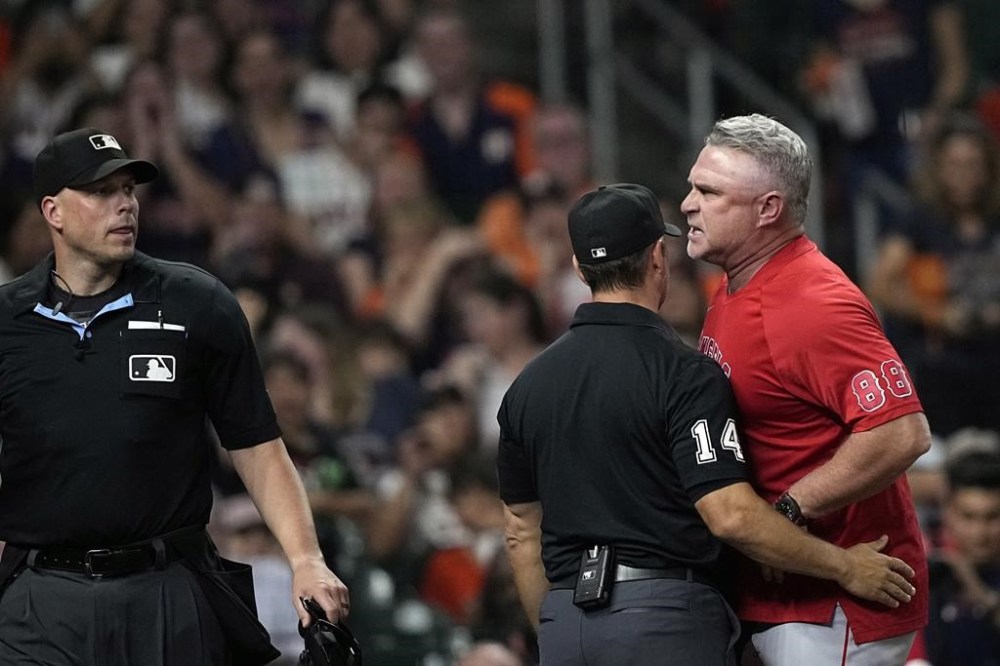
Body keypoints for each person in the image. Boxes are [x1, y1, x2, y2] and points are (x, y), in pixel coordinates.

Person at [498, 183, 919, 665]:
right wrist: (844, 566)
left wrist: (555, 630)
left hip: (565, 619)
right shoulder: (683, 373)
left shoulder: (525, 387)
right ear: (658, 257)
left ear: (578, 268)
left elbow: (519, 532)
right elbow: (730, 514)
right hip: (664, 618)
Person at [0, 127, 350, 665]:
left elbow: (257, 446)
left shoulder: (197, 303)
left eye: (128, 190)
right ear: (54, 212)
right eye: (101, 192)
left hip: (164, 590)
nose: (123, 205)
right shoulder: (7, 320)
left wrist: (306, 559)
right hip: (40, 601)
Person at [681, 114, 933, 665]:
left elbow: (902, 432)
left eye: (709, 192)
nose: (687, 204)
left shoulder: (813, 303)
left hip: (839, 598)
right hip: (788, 591)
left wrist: (789, 511)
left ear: (768, 209)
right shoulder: (738, 281)